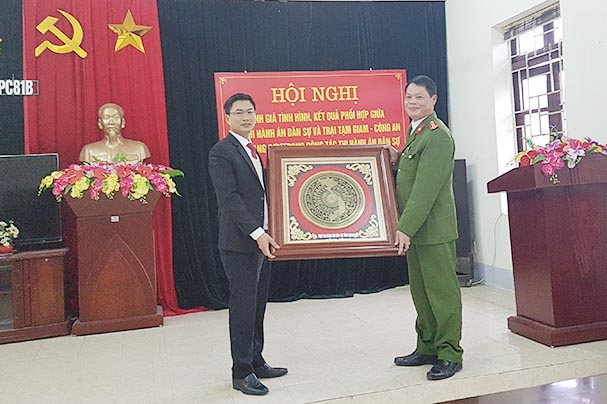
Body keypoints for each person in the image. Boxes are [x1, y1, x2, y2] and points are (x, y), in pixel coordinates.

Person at [208, 93, 287, 396]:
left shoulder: (255, 150)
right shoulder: (221, 152)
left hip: (262, 240)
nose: (246, 117)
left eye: (250, 112)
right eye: (239, 112)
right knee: (242, 307)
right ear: (227, 117)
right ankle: (241, 372)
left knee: (257, 304)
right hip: (240, 242)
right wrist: (257, 232)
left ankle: (256, 359)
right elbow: (230, 199)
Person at [391, 75, 463, 380]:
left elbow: (425, 190)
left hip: (433, 230)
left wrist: (404, 227)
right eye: (409, 97)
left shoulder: (437, 135)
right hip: (418, 230)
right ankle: (428, 346)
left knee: (442, 294)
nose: (412, 102)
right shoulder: (417, 131)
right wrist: (396, 159)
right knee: (421, 294)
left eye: (419, 97)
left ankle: (450, 354)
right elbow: (412, 174)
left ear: (433, 100)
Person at [79, 103, 151, 163]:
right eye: (106, 118)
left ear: (123, 122)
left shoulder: (139, 148)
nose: (111, 122)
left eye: (116, 117)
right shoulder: (88, 151)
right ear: (100, 123)